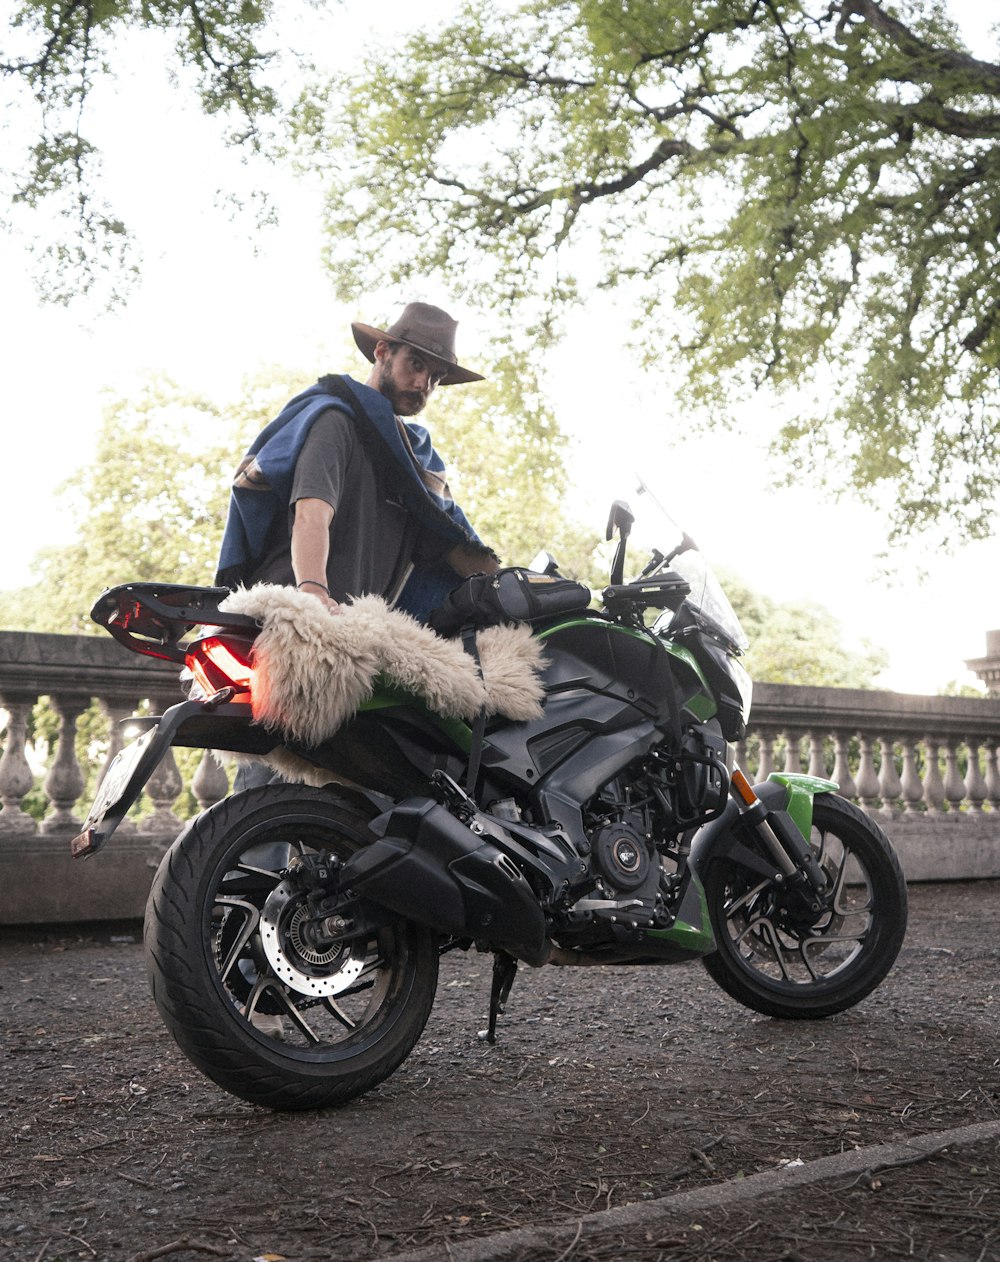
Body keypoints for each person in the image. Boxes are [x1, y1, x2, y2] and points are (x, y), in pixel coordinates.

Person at [215, 301, 500, 619]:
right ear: (382, 352)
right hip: (289, 619)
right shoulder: (335, 420)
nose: (423, 384)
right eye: (416, 364)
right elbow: (311, 514)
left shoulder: (417, 466)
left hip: (358, 636)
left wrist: (527, 588)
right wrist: (313, 593)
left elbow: (459, 550)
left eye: (436, 376)